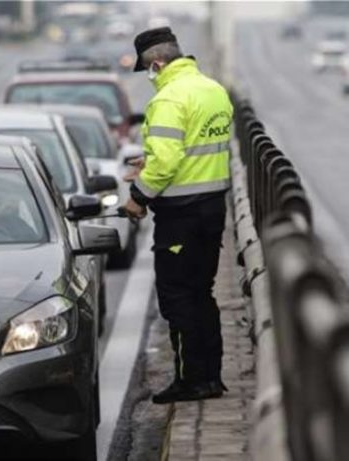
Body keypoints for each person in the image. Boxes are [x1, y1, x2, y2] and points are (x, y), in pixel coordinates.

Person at [122, 27, 233, 404]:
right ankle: (211, 377)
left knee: (178, 299)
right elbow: (195, 147)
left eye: (147, 70)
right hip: (212, 208)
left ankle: (190, 380)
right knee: (202, 294)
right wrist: (150, 161)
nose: (149, 77)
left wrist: (137, 197)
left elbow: (168, 161)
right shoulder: (213, 90)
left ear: (156, 63)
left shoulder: (168, 98)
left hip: (181, 217)